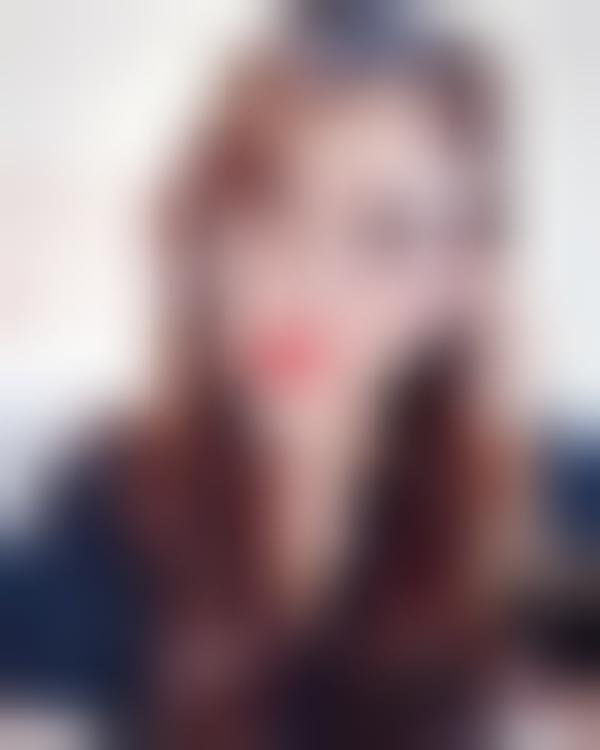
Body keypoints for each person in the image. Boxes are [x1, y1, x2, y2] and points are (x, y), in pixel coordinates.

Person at [1, 3, 519, 748]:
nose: (306, 285)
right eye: (269, 206)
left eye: (384, 236)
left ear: (459, 285)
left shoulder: (539, 523)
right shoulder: (108, 502)